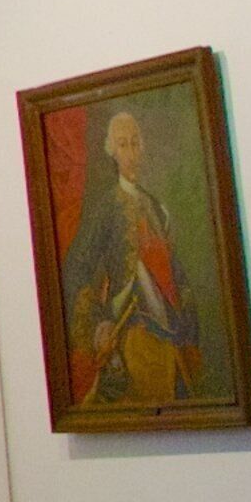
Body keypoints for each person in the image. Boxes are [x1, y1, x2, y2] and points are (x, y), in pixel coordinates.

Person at [62, 107, 205, 408]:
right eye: (123, 144)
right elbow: (77, 267)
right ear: (111, 151)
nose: (131, 153)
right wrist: (98, 322)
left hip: (172, 337)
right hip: (132, 333)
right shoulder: (106, 207)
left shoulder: (156, 206)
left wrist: (189, 328)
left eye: (135, 143)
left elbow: (175, 274)